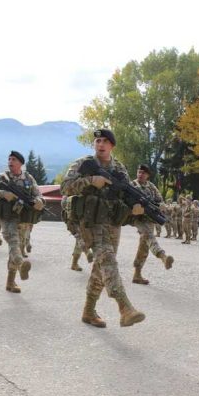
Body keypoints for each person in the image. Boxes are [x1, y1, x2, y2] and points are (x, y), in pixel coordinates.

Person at [61, 129, 145, 328]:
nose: (101, 144)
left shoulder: (120, 168)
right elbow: (65, 187)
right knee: (107, 260)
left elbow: (126, 194)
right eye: (98, 140)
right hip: (91, 222)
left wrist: (135, 207)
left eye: (105, 141)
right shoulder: (83, 163)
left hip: (112, 223)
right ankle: (125, 307)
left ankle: (89, 311)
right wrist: (90, 181)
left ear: (112, 146)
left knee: (101, 267)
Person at [0, 151, 44, 293]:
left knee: (17, 247)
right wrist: (2, 193)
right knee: (13, 242)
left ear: (21, 163)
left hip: (23, 219)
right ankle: (21, 264)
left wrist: (39, 201)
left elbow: (38, 195)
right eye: (9, 159)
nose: (10, 161)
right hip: (7, 217)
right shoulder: (2, 177)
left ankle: (10, 283)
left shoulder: (28, 178)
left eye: (14, 159)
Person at [129, 164, 174, 285]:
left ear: (148, 175)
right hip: (137, 218)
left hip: (149, 219)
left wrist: (161, 206)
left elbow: (160, 200)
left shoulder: (151, 186)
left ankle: (137, 275)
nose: (140, 174)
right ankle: (163, 256)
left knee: (144, 246)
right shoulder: (132, 185)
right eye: (139, 172)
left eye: (143, 173)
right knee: (149, 236)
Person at [61, 195, 93, 271]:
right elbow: (64, 204)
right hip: (72, 221)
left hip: (80, 219)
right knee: (80, 238)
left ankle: (74, 264)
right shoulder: (69, 195)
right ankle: (87, 252)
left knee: (78, 241)